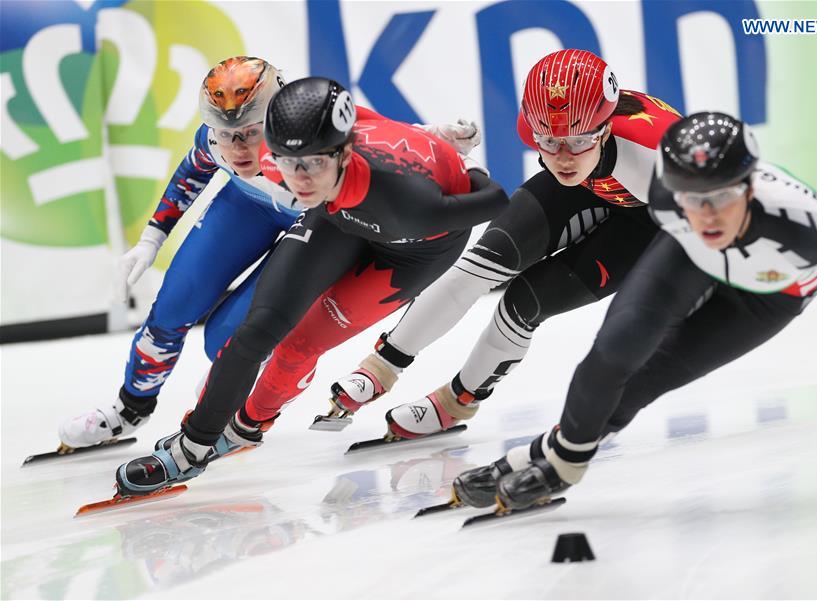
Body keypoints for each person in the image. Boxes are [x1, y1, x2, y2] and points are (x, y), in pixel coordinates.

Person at [453, 111, 817, 510]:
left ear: (750, 187)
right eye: (691, 199)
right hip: (691, 256)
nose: (707, 215)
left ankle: (550, 457)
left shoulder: (810, 232)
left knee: (646, 381)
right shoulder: (666, 200)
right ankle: (564, 458)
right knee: (611, 355)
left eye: (720, 198)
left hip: (771, 291)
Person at [112, 76, 510, 496]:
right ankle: (190, 449)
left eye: (315, 162)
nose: (299, 180)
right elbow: (368, 124)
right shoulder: (273, 153)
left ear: (345, 150)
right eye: (288, 163)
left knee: (299, 345)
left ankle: (247, 428)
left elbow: (497, 199)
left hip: (411, 249)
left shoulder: (410, 204)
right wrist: (426, 133)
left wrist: (464, 167)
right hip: (336, 213)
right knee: (256, 331)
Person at [325, 49, 681, 439]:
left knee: (523, 304)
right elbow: (565, 148)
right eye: (547, 140)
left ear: (606, 129)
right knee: (479, 264)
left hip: (650, 222)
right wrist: (574, 146)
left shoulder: (657, 158)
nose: (561, 156)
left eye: (577, 140)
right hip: (587, 186)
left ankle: (458, 401)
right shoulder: (549, 125)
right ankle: (380, 367)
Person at [57, 56, 297, 450]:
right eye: (223, 132)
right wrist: (151, 240)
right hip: (246, 204)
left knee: (229, 336)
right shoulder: (212, 141)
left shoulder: (317, 142)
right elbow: (191, 173)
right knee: (171, 308)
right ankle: (130, 407)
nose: (236, 148)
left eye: (251, 133)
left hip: (310, 223)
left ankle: (225, 413)